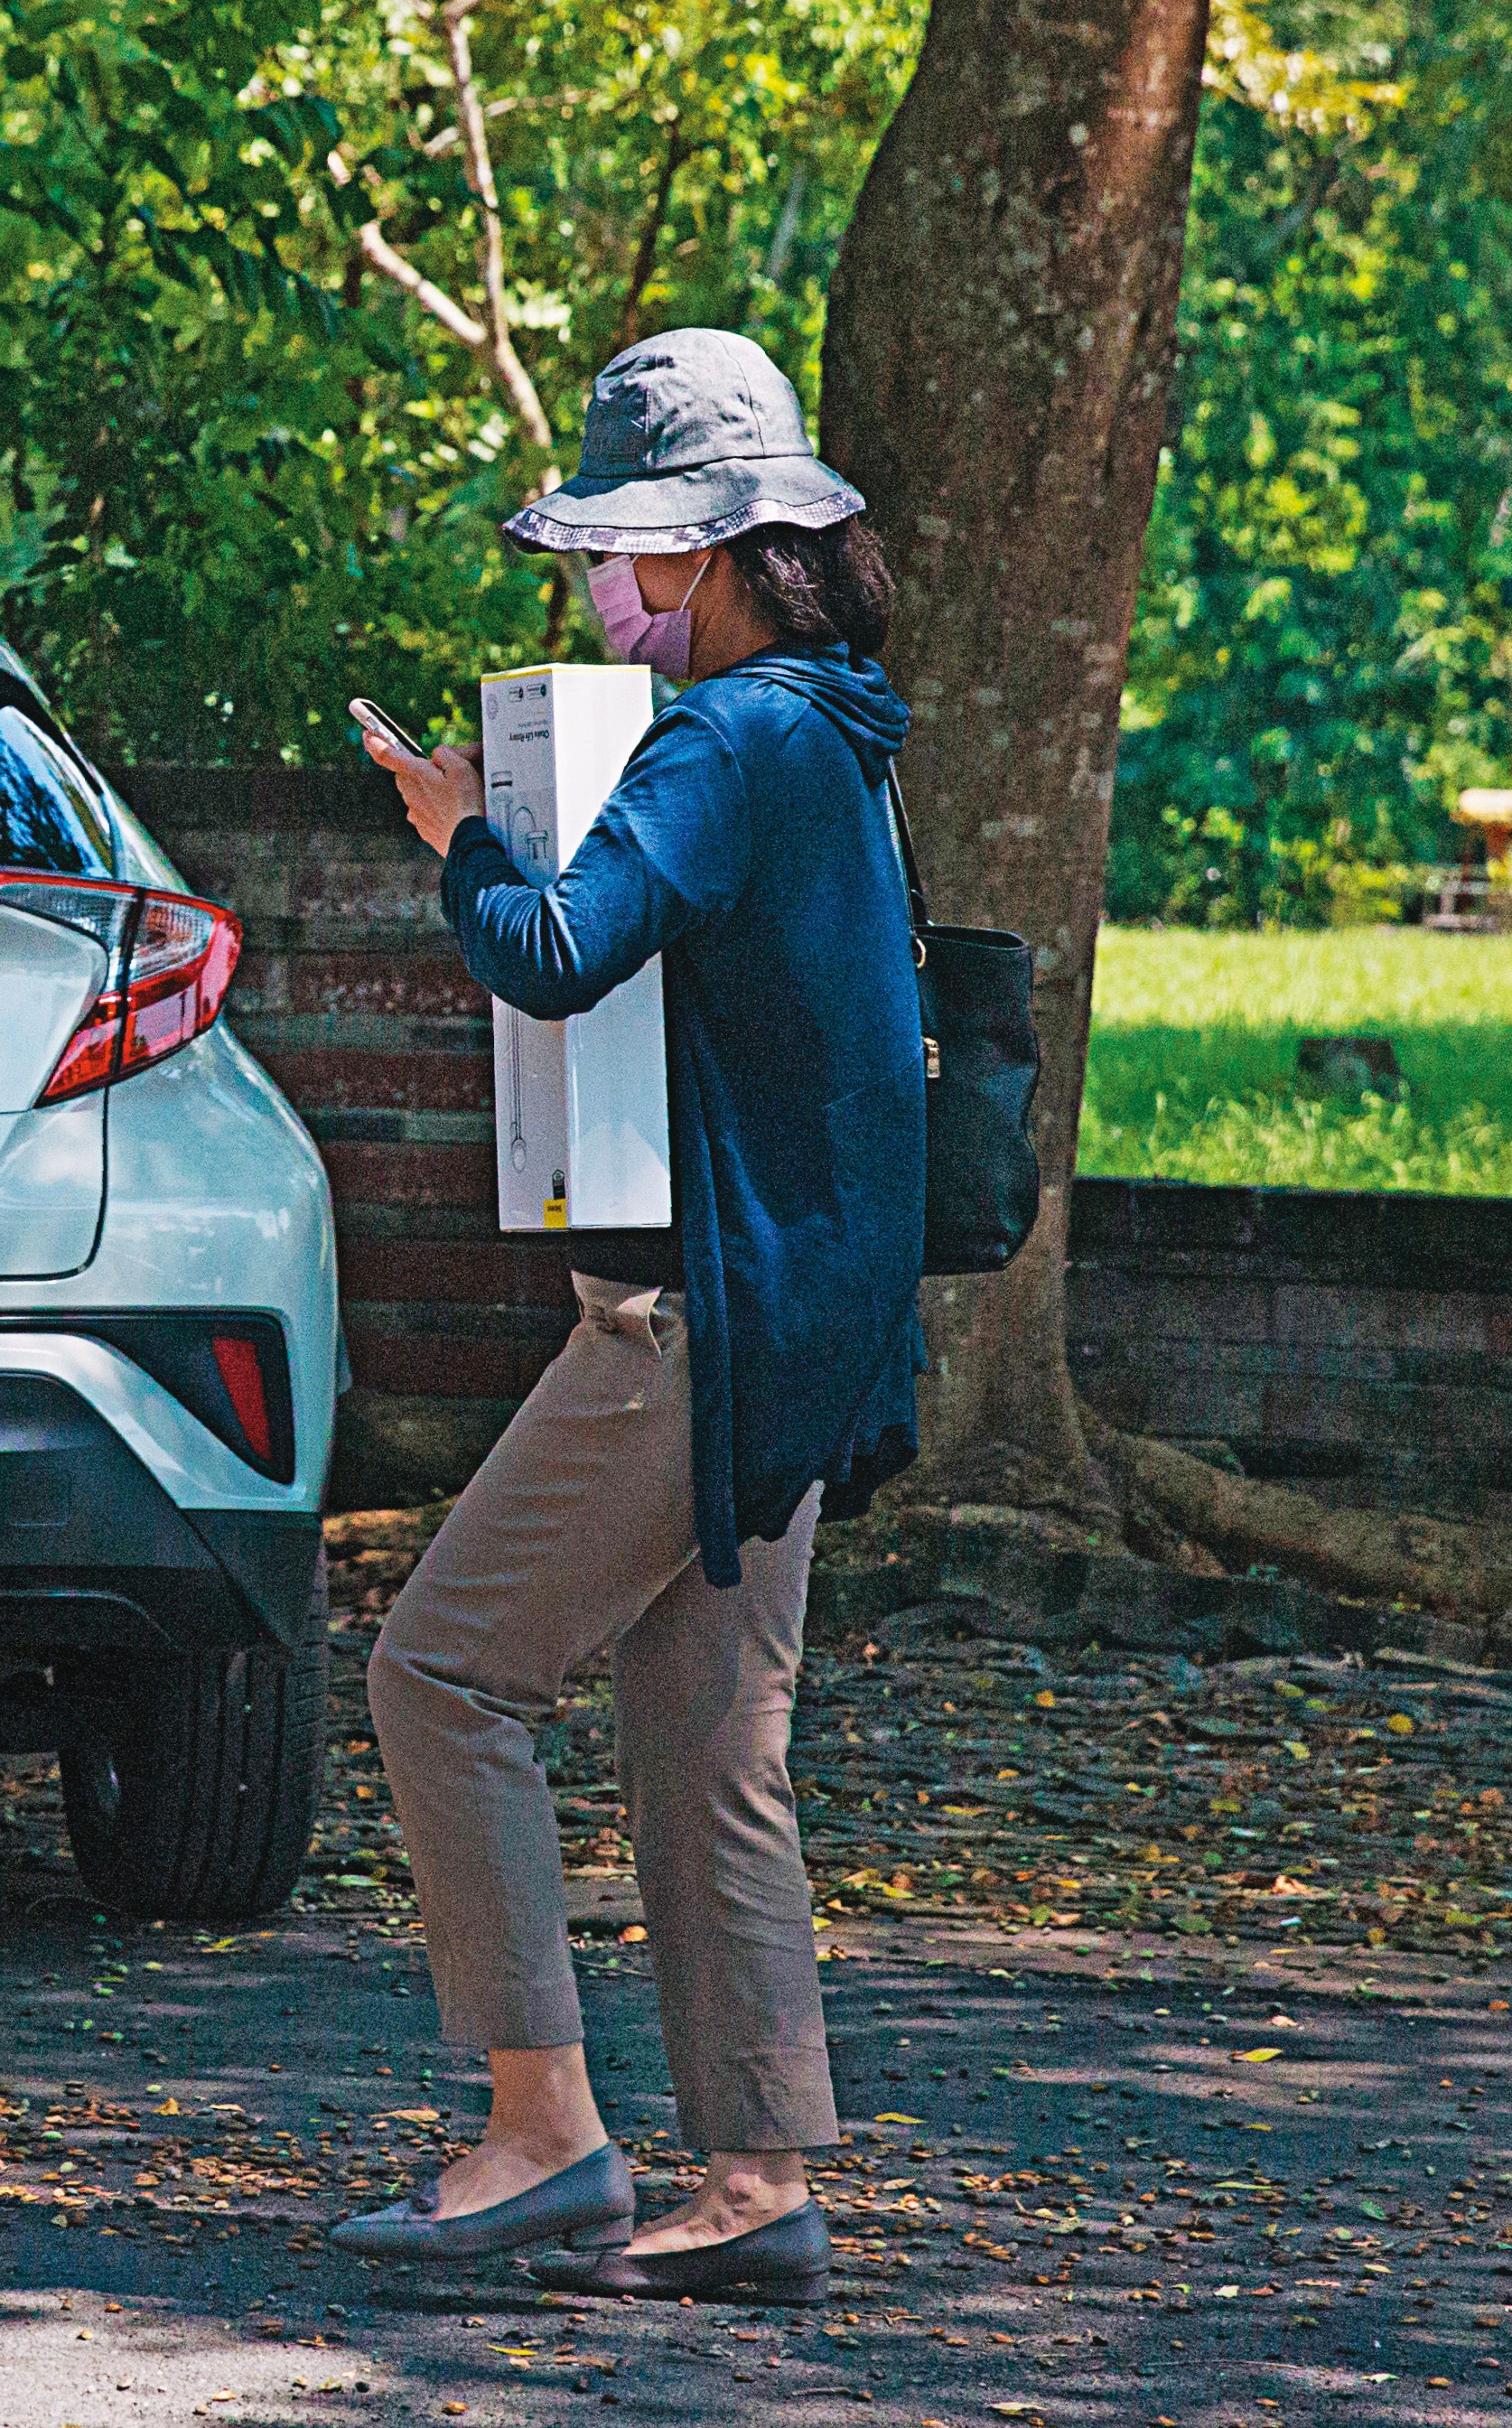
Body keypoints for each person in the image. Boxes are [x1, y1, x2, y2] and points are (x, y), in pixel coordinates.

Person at [330, 328, 927, 2305]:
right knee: (707, 1751)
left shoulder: (732, 737)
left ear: (723, 552)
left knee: (442, 1675)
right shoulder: (841, 731)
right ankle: (757, 2183)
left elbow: (555, 950)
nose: (603, 582)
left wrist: (458, 833)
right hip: (818, 1318)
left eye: (624, 550)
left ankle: (541, 2139)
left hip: (695, 1323)